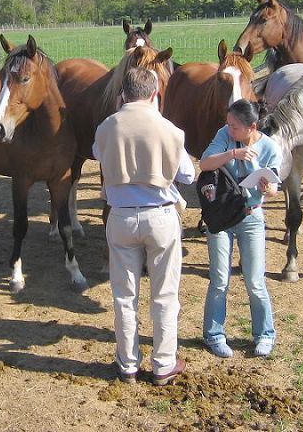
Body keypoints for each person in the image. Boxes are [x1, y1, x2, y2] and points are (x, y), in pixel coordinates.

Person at [93, 66, 195, 386]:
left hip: (120, 215)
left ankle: (127, 364)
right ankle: (163, 364)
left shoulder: (106, 127)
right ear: (155, 94)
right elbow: (189, 175)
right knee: (164, 294)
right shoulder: (170, 130)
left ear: (123, 94)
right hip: (161, 217)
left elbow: (99, 155)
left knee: (124, 296)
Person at [199, 99, 282, 359]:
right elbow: (205, 163)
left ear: (252, 127)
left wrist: (269, 189)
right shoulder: (224, 136)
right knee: (219, 279)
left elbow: (274, 186)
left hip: (251, 217)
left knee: (255, 281)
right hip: (222, 217)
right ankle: (214, 334)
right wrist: (232, 154)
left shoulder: (269, 148)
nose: (229, 128)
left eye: (235, 126)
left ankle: (265, 335)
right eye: (229, 123)